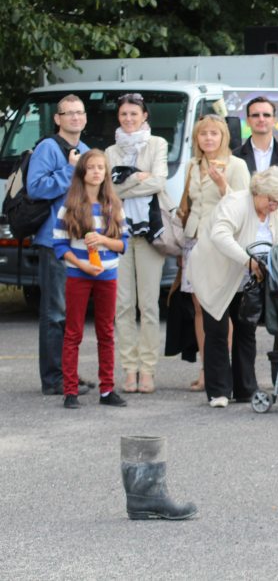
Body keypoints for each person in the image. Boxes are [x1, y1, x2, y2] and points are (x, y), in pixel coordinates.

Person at [187, 166, 278, 408]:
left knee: (246, 330)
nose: (275, 206)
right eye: (272, 200)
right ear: (260, 191)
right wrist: (246, 260)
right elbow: (219, 235)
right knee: (216, 329)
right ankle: (218, 392)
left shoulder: (274, 212)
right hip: (215, 272)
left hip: (248, 279)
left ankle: (245, 388)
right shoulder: (236, 202)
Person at [26, 94, 93, 397]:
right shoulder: (47, 148)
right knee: (55, 313)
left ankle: (69, 375)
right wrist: (70, 170)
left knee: (73, 314)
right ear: (57, 118)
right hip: (54, 242)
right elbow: (36, 188)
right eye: (69, 114)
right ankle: (53, 379)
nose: (75, 118)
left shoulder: (88, 150)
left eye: (79, 113)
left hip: (80, 241)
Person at [52, 150, 129, 409]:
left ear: (106, 173)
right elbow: (60, 245)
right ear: (82, 172)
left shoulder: (114, 205)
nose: (97, 171)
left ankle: (107, 389)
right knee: (73, 333)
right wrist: (81, 263)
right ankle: (70, 390)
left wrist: (104, 240)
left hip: (108, 274)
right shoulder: (70, 205)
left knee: (106, 332)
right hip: (78, 274)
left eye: (101, 167)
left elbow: (123, 244)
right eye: (91, 167)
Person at [180, 115, 251, 393]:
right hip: (194, 239)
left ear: (224, 137)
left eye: (214, 133)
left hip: (221, 241)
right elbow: (187, 202)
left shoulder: (237, 165)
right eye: (203, 134)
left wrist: (222, 185)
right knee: (199, 306)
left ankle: (223, 369)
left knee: (221, 305)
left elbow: (243, 204)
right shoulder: (192, 165)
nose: (208, 138)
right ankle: (206, 368)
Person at [105, 93, 171, 394]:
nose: (129, 119)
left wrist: (124, 182)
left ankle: (148, 370)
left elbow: (159, 182)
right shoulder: (109, 151)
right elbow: (108, 190)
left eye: (134, 114)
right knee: (122, 305)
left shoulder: (157, 144)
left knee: (148, 304)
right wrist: (136, 178)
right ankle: (128, 369)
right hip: (117, 233)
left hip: (150, 232)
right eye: (123, 115)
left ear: (145, 116)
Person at [234, 96, 278, 177]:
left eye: (266, 115)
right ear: (248, 121)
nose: (261, 119)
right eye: (255, 115)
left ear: (274, 120)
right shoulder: (234, 157)